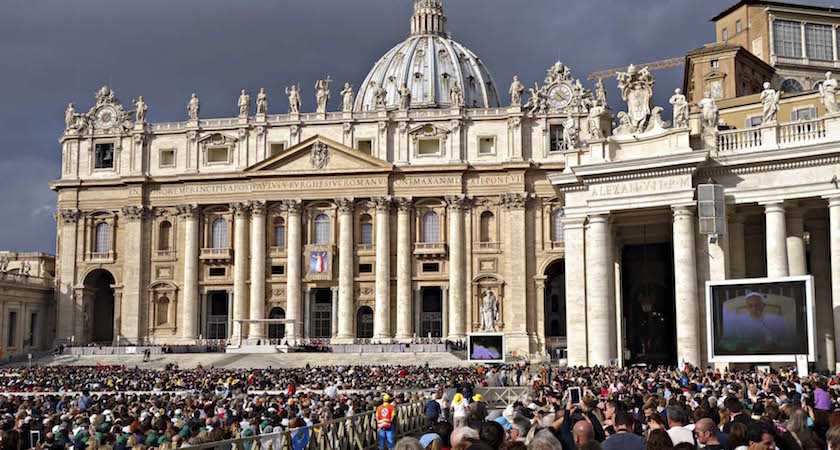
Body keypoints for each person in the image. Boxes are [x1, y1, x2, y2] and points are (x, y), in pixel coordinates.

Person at [720, 292, 795, 352]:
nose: (754, 309)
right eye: (751, 306)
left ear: (763, 306)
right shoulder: (736, 322)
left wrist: (775, 342)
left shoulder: (778, 320)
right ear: (746, 307)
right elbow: (725, 343)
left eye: (757, 305)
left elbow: (789, 342)